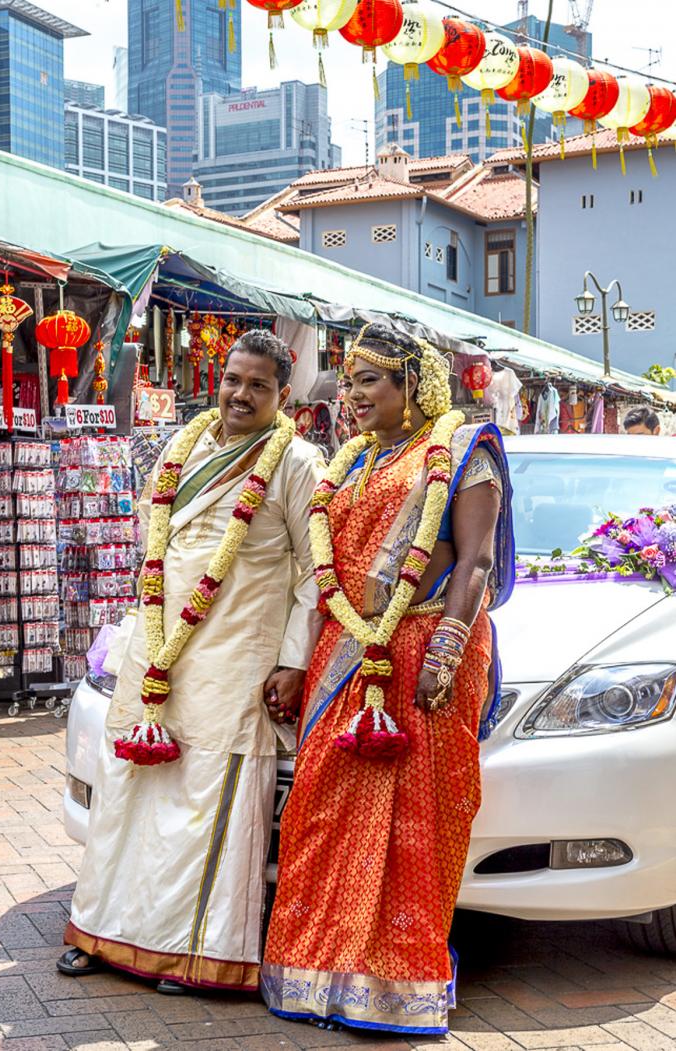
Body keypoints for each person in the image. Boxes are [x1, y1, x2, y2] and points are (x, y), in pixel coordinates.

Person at [261, 323, 514, 1038]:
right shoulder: (353, 461)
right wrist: (300, 661)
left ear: (413, 383)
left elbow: (475, 561)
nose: (352, 394)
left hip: (424, 649)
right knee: (320, 813)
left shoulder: (463, 450)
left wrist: (447, 648)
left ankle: (394, 989)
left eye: (368, 380)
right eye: (348, 381)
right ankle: (315, 979)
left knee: (413, 824)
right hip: (347, 653)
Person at [57, 329, 323, 994]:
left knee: (206, 801)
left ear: (283, 394)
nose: (241, 394)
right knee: (128, 790)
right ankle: (99, 929)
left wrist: (294, 661)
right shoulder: (185, 444)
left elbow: (313, 573)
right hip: (158, 648)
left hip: (236, 654)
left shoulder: (297, 462)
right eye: (233, 379)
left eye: (258, 385)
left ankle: (193, 953)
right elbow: (157, 544)